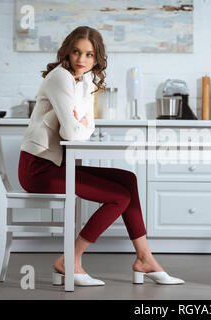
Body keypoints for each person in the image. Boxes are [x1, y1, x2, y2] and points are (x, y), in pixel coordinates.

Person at [18, 26, 184, 286]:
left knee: (127, 179)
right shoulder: (60, 77)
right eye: (76, 52)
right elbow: (74, 134)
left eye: (89, 55)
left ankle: (145, 257)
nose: (81, 59)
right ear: (67, 52)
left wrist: (80, 123)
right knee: (119, 197)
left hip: (58, 164)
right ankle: (69, 260)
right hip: (39, 169)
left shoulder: (84, 81)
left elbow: (88, 126)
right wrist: (79, 125)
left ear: (96, 59)